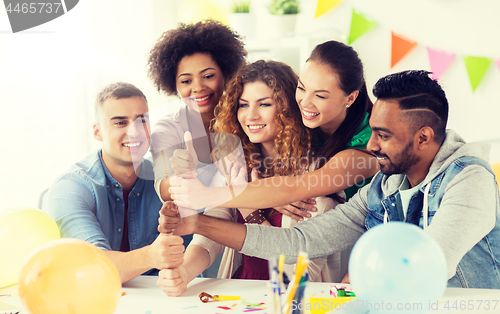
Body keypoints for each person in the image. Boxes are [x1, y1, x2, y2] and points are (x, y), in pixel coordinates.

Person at [161, 70, 500, 289]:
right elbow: (299, 242)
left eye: (382, 134)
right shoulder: (384, 187)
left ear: (424, 137)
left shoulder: (469, 179)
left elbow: (429, 265)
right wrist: (198, 224)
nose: (370, 144)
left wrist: (356, 282)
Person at [158, 60, 342, 296]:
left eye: (264, 104)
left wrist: (247, 205)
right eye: (243, 105)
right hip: (241, 292)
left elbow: (294, 275)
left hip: (288, 301)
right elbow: (209, 236)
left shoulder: (318, 175)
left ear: (289, 109)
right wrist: (184, 272)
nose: (251, 115)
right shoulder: (234, 165)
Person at [44, 82, 185, 283]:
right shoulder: (69, 188)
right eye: (120, 122)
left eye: (141, 121)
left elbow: (188, 256)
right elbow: (92, 266)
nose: (134, 132)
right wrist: (152, 255)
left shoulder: (165, 181)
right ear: (97, 132)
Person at [146, 21, 247, 275]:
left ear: (226, 73)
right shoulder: (168, 129)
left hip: (246, 241)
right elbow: (163, 185)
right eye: (186, 80)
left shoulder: (246, 117)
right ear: (173, 84)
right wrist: (179, 178)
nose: (198, 87)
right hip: (193, 249)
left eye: (208, 76)